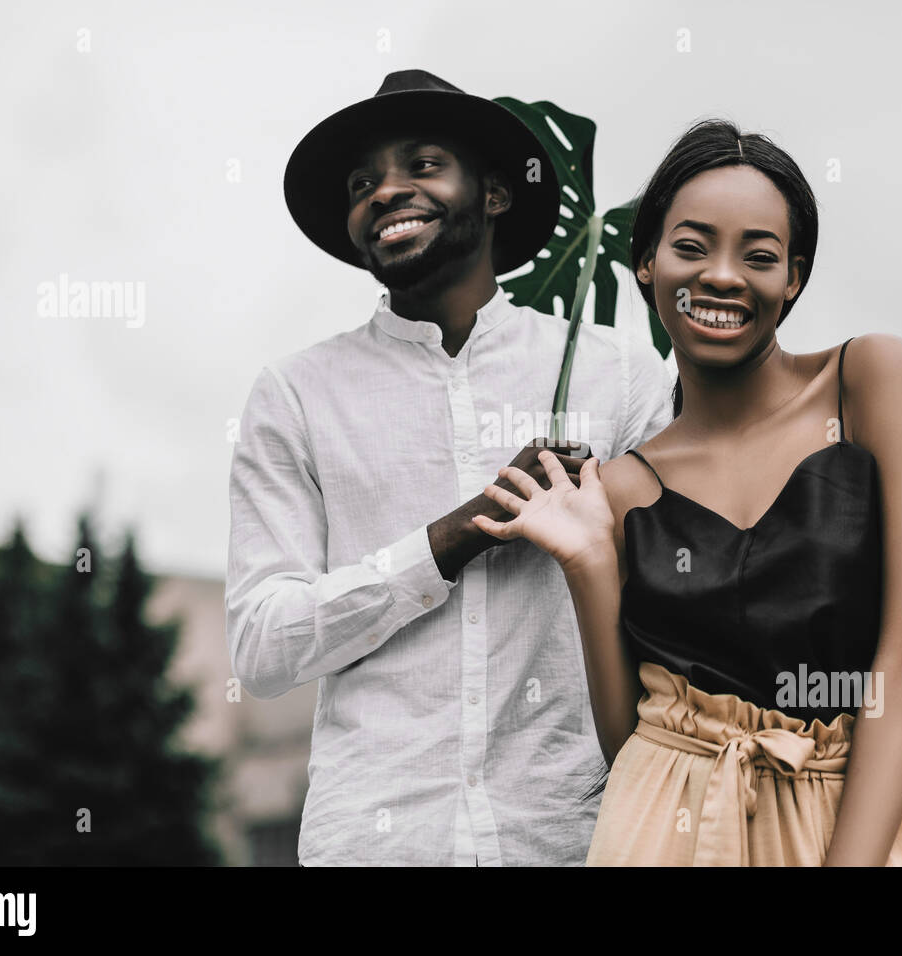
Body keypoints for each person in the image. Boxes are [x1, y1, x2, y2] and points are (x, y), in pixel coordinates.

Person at [472, 120, 902, 866]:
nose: (722, 275)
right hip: (663, 833)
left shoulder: (870, 382)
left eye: (758, 256)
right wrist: (589, 563)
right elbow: (632, 741)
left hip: (847, 822)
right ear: (646, 263)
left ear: (793, 277)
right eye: (691, 247)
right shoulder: (629, 485)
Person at [224, 70, 673, 865]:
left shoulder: (622, 378)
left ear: (495, 194)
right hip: (374, 840)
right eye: (364, 183)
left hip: (570, 838)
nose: (387, 191)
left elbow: (679, 612)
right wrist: (452, 537)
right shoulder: (294, 395)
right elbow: (262, 649)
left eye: (423, 165)